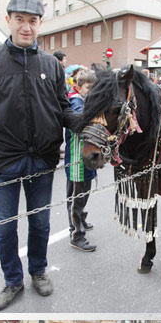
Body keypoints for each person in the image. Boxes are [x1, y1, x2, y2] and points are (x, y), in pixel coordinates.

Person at [0, 0, 82, 311]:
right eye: (20, 20)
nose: (26, 27)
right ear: (9, 20)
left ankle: (38, 271)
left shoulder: (52, 66)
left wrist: (87, 124)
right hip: (1, 161)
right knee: (5, 229)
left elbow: (63, 110)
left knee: (40, 224)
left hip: (42, 159)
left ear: (40, 24)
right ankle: (12, 280)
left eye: (33, 21)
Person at [66, 68, 97, 253]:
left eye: (94, 88)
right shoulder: (75, 101)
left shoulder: (86, 100)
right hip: (77, 158)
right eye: (87, 87)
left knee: (84, 193)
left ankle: (81, 218)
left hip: (88, 158)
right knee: (76, 198)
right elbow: (81, 123)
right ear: (78, 87)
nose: (90, 91)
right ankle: (76, 234)